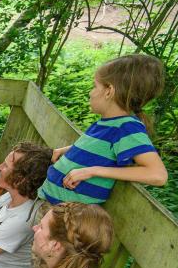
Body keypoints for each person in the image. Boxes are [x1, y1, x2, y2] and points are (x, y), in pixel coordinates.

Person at [40, 54, 167, 205]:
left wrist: (92, 171)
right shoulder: (109, 123)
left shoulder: (126, 127)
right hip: (52, 206)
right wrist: (68, 150)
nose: (90, 92)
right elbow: (101, 147)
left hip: (65, 217)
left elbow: (158, 174)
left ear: (109, 91)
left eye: (95, 86)